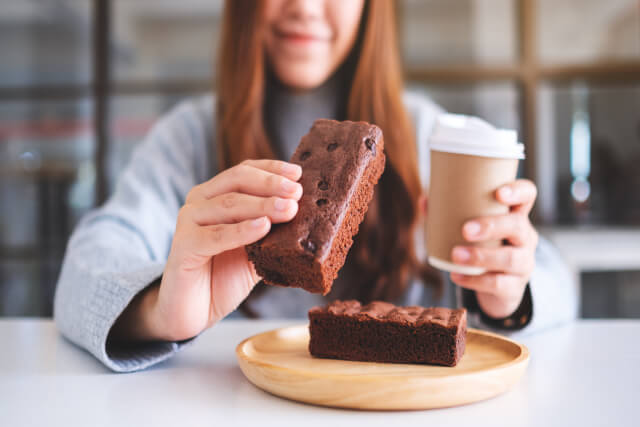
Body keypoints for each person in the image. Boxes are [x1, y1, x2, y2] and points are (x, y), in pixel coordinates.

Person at [54, 0, 577, 372]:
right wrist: (159, 310)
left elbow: (557, 279)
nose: (304, 6)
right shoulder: (190, 139)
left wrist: (511, 292)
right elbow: (84, 271)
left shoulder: (427, 135)